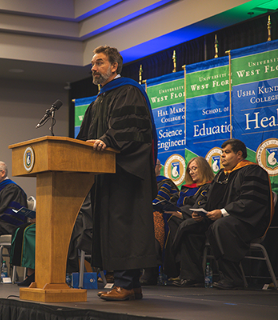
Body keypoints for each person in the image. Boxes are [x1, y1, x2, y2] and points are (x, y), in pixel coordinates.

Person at [76, 45, 158, 301]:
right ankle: (130, 285)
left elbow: (129, 130)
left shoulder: (129, 91)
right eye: (93, 63)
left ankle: (124, 283)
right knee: (119, 229)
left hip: (126, 173)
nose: (93, 68)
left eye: (99, 62)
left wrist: (108, 140)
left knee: (126, 229)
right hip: (109, 175)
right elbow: (85, 138)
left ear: (114, 66)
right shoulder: (98, 100)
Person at [171, 139, 273, 289]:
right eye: (221, 153)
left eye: (227, 152)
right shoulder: (221, 175)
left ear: (239, 154)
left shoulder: (253, 171)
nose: (222, 156)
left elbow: (250, 202)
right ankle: (192, 277)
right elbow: (209, 198)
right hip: (221, 220)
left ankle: (233, 278)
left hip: (246, 222)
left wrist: (223, 213)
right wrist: (201, 212)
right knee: (189, 226)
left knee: (221, 225)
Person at [160, 156, 215, 279]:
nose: (192, 172)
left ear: (204, 168)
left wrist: (182, 214)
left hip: (199, 221)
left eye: (195, 168)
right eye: (190, 170)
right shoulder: (186, 188)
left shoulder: (209, 187)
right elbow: (173, 202)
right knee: (163, 218)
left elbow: (202, 206)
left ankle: (170, 263)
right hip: (180, 218)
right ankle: (168, 265)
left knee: (173, 221)